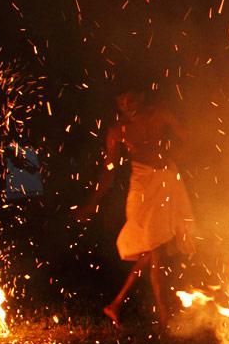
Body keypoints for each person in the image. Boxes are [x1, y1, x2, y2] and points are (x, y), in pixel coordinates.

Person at [77, 89, 196, 326]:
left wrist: (175, 157)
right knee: (153, 250)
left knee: (155, 251)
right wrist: (92, 203)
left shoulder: (159, 115)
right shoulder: (117, 131)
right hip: (142, 187)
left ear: (141, 97)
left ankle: (151, 313)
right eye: (121, 102)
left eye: (131, 99)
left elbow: (188, 138)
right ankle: (130, 307)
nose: (126, 105)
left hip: (166, 182)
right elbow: (109, 169)